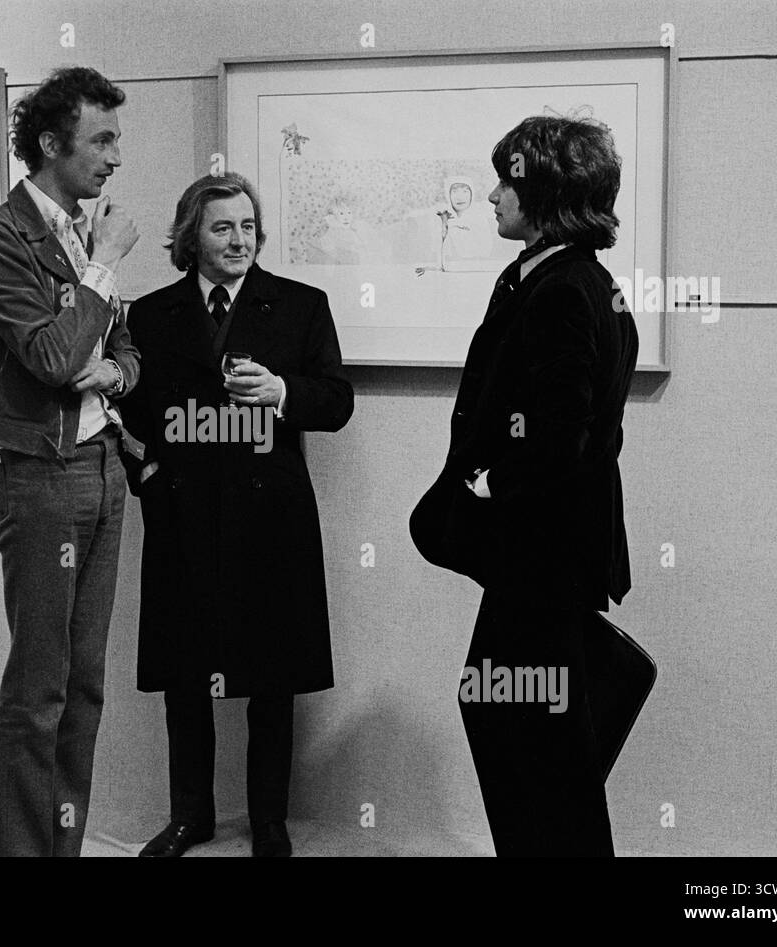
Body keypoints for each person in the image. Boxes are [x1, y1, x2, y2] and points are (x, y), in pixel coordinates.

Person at [409, 114, 638, 856]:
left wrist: (484, 486)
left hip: (541, 564)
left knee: (538, 744)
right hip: (546, 563)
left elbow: (558, 440)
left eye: (509, 178)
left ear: (547, 190)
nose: (493, 194)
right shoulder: (566, 280)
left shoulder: (566, 290)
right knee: (523, 730)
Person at [119, 173, 354, 857]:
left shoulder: (302, 305)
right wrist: (149, 476)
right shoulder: (152, 314)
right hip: (184, 515)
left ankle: (269, 821)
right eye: (223, 227)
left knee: (272, 674)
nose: (239, 240)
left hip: (269, 514)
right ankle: (189, 815)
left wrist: (283, 392)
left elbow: (337, 401)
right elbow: (128, 416)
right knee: (184, 672)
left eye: (249, 226)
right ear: (191, 234)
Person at [0, 66, 142, 857]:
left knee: (83, 689)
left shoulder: (80, 228)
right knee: (37, 692)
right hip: (40, 473)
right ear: (49, 143)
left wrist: (120, 371)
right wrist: (101, 267)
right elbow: (53, 356)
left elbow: (120, 346)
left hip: (102, 467)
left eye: (115, 140)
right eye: (101, 140)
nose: (114, 158)